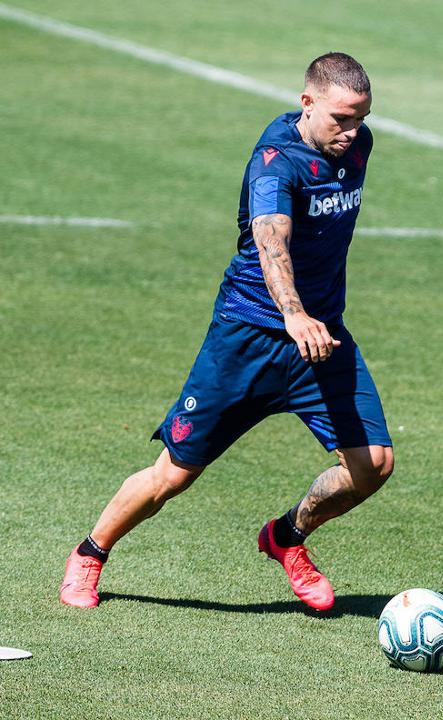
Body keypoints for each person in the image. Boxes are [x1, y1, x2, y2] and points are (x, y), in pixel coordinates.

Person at [58, 52, 392, 612]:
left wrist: (311, 321)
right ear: (306, 103)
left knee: (372, 466)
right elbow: (271, 240)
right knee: (174, 474)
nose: (353, 130)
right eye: (341, 118)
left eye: (361, 117)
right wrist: (292, 313)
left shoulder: (357, 144)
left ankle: (286, 538)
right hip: (249, 337)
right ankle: (90, 552)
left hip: (322, 339)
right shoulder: (275, 164)